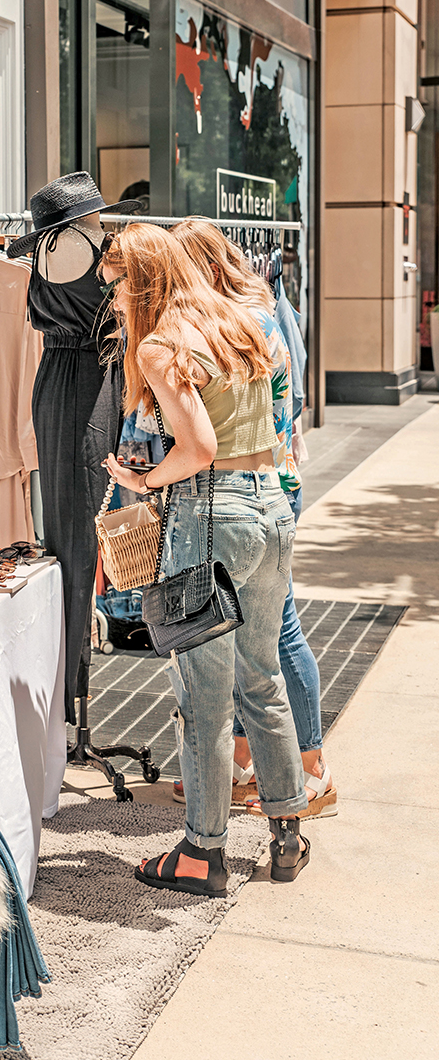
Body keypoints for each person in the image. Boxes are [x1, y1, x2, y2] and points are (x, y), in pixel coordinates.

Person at [99, 223, 309, 894]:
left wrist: (143, 482)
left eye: (118, 289)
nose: (113, 305)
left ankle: (202, 851)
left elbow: (196, 449)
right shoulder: (245, 321)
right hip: (271, 510)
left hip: (210, 518)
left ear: (144, 282)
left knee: (205, 700)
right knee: (262, 678)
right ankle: (286, 834)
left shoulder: (165, 344)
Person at [171, 220, 335, 821]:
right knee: (262, 663)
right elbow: (286, 409)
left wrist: (143, 478)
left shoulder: (194, 333)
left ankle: (295, 775)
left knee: (214, 680)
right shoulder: (260, 320)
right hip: (275, 492)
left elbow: (197, 443)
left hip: (225, 501)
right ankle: (285, 801)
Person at [6, 172, 134, 724]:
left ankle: (62, 686)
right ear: (82, 221)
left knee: (70, 528)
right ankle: (65, 694)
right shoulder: (84, 247)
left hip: (59, 378)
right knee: (77, 535)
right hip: (84, 380)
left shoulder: (47, 252)